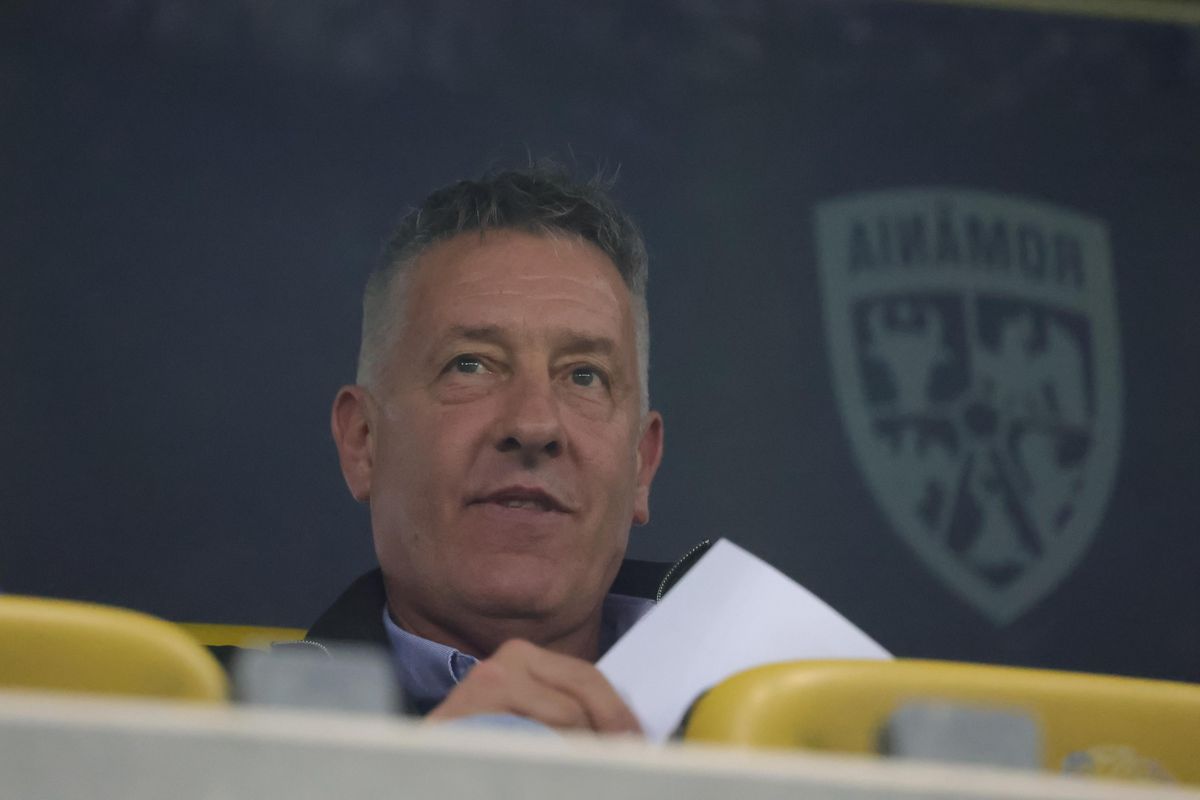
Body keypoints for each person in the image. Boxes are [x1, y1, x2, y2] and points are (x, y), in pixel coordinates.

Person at [309, 164, 706, 734]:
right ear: (363, 442)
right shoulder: (206, 731)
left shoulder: (799, 718)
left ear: (641, 464)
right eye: (470, 365)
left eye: (585, 375)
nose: (535, 423)